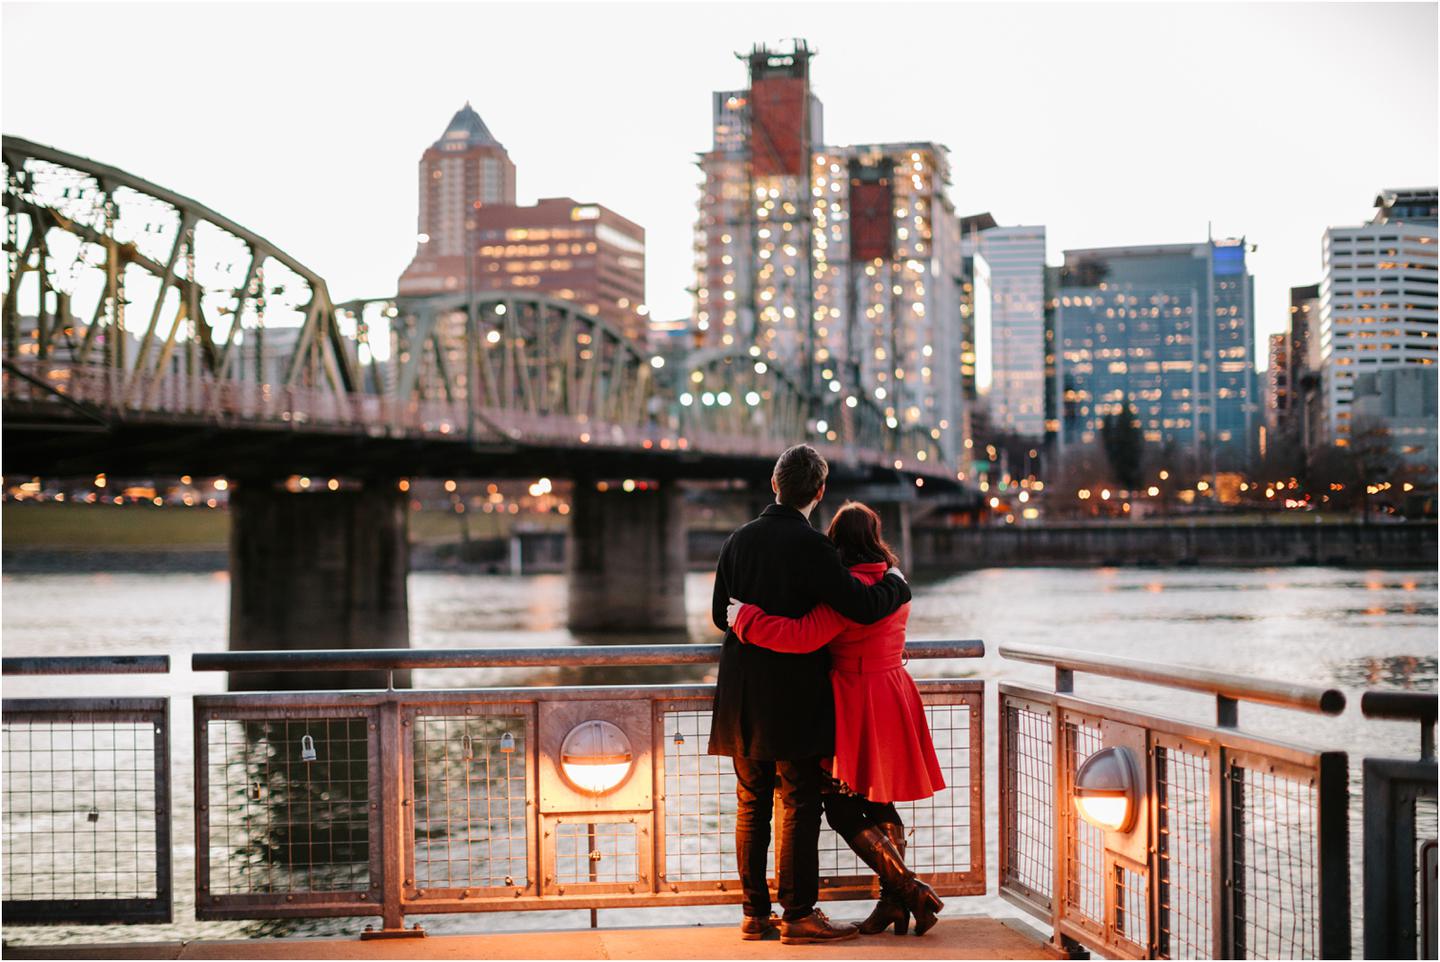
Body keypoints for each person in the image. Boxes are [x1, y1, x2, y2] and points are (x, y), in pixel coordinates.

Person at [708, 445, 912, 944]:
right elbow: (862, 607)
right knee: (799, 803)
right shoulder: (813, 548)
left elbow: (721, 615)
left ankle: (755, 914)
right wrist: (898, 586)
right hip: (794, 698)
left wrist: (747, 621)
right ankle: (798, 913)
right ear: (819, 493)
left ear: (774, 485)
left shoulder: (737, 541)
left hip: (740, 697)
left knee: (751, 803)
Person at [725, 500, 945, 936]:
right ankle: (895, 903)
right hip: (894, 694)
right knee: (879, 799)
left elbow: (800, 635)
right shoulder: (892, 583)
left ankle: (908, 891)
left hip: (854, 700)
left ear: (835, 543)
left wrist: (744, 617)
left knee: (841, 805)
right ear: (876, 538)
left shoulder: (843, 594)